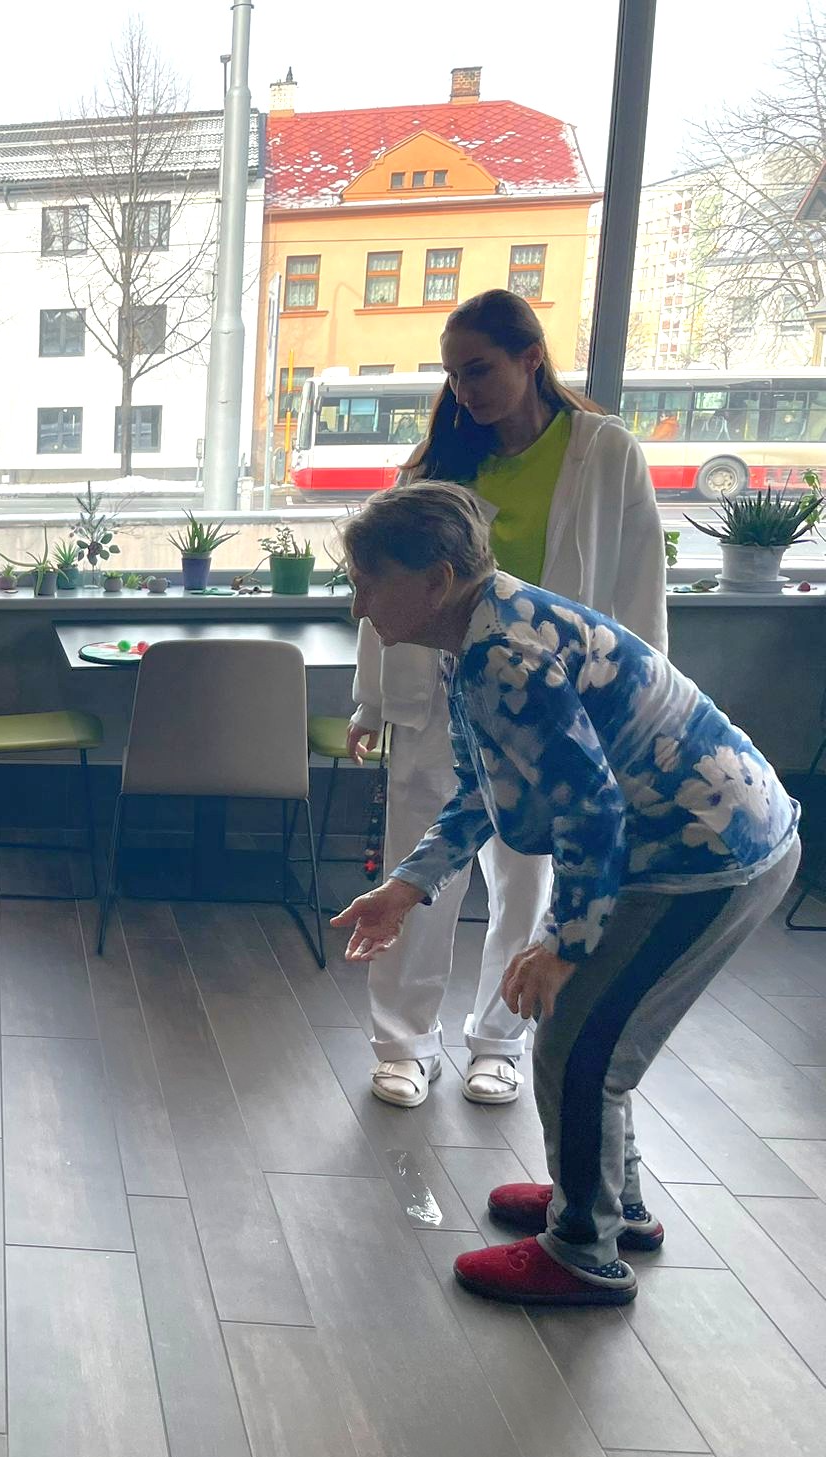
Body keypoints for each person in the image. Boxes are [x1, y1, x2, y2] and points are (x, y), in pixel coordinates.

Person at [332, 483, 800, 1305]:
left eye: (371, 582)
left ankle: (583, 1248)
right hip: (695, 845)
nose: (358, 603)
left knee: (580, 1048)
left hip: (708, 857)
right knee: (591, 1038)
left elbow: (591, 811)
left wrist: (561, 945)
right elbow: (485, 787)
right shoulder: (476, 633)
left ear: (436, 580)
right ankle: (615, 1205)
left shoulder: (504, 656)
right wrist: (406, 888)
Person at [346, 289, 668, 1110]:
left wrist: (631, 716)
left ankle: (499, 1039)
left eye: (479, 370)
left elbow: (638, 590)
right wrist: (371, 702)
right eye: (453, 375)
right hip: (435, 695)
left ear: (532, 358)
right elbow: (381, 589)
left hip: (550, 704)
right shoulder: (439, 462)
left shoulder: (603, 454)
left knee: (526, 879)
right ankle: (403, 1042)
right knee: (420, 869)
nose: (464, 391)